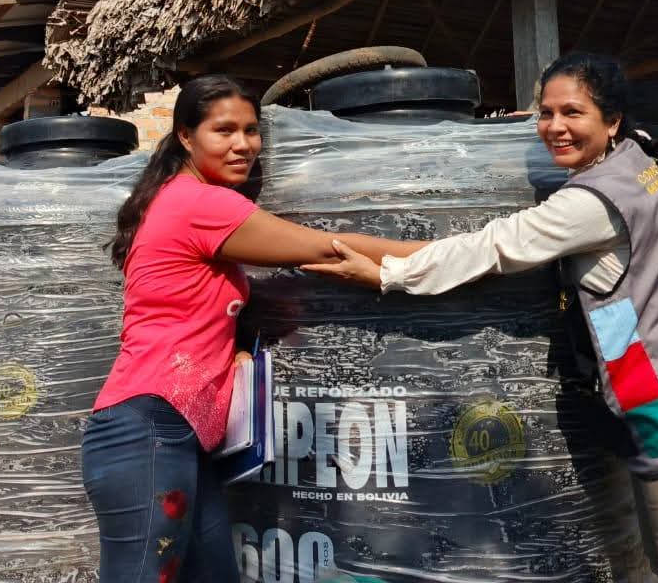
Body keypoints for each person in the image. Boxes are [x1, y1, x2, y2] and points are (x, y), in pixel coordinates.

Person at [307, 52, 658, 583]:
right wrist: (530, 128)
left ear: (610, 121)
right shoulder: (641, 162)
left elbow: (491, 247)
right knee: (654, 559)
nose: (554, 127)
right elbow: (602, 133)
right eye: (547, 113)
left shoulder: (591, 203)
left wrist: (388, 276)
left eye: (573, 113)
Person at [80, 76, 420, 583]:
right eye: (224, 131)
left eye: (252, 130)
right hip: (148, 428)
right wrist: (454, 255)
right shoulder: (202, 204)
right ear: (185, 137)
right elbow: (326, 248)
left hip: (177, 435)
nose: (243, 144)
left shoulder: (178, 197)